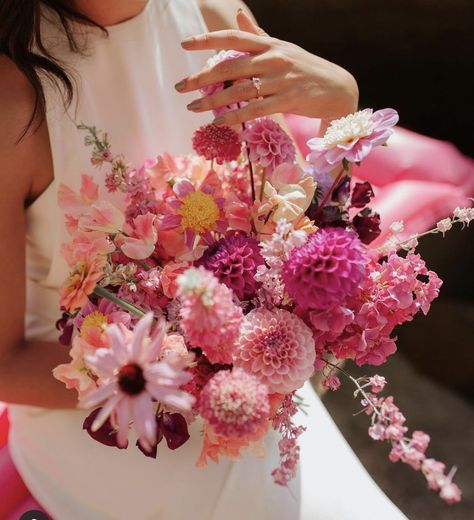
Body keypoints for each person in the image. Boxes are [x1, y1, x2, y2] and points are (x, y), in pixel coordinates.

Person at [0, 0, 406, 518]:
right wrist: (187, 371)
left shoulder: (214, 19)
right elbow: (5, 362)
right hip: (104, 417)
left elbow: (289, 219)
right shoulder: (12, 98)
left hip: (251, 399)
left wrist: (339, 108)